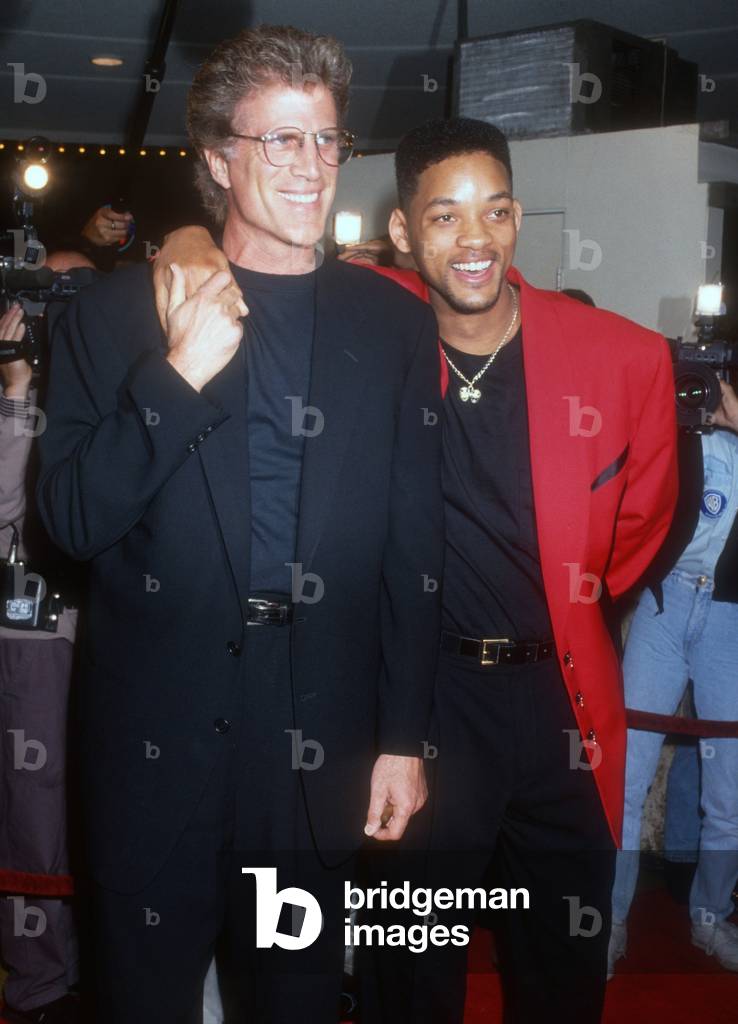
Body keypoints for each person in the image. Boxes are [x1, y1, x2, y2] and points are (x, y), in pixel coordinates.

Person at [155, 114, 678, 1023]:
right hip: (418, 709)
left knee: (562, 971)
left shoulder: (625, 359)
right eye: (444, 217)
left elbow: (639, 531)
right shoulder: (361, 326)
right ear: (402, 231)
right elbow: (245, 243)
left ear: (517, 220)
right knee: (410, 981)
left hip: (564, 706)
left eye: (498, 211)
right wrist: (186, 236)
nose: (475, 240)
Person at [36, 25, 443, 1023]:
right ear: (219, 158)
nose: (312, 167)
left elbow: (411, 541)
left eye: (326, 141)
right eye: (280, 141)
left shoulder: (391, 323)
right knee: (143, 998)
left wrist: (404, 737)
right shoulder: (115, 314)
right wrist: (175, 377)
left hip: (319, 737)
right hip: (153, 733)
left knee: (295, 1000)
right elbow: (69, 523)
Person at [609, 378, 738, 976]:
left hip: (732, 616)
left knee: (729, 794)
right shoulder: (683, 420)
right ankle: (608, 924)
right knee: (625, 779)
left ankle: (710, 919)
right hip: (665, 602)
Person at [0, 250, 96, 1024]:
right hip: (27, 633)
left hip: (107, 630)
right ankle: (40, 985)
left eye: (74, 289)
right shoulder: (12, 393)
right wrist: (18, 394)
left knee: (98, 807)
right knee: (32, 811)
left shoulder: (110, 381)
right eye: (44, 289)